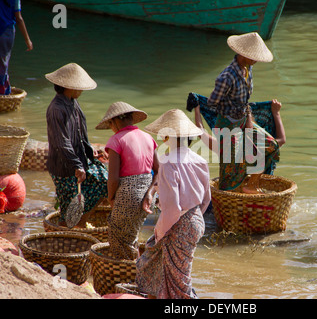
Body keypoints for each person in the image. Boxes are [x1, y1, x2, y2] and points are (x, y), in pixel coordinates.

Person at [135, 109, 211, 299]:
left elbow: (172, 210)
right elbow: (206, 199)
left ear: (168, 136)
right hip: (195, 220)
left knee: (178, 282)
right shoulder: (200, 160)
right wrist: (194, 217)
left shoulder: (168, 163)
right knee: (181, 277)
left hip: (179, 224)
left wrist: (159, 232)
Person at [207, 32, 281, 194]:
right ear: (242, 54)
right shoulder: (226, 77)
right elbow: (212, 102)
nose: (255, 60)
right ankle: (229, 198)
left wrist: (247, 119)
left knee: (271, 145)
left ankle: (251, 185)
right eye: (252, 56)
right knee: (232, 167)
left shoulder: (248, 69)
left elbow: (245, 101)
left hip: (243, 119)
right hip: (227, 124)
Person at [45, 63, 108, 228]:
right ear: (69, 87)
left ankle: (79, 221)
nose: (81, 91)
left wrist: (90, 150)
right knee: (69, 207)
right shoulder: (56, 108)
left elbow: (80, 131)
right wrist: (77, 165)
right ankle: (69, 229)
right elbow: (61, 142)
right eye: (79, 87)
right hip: (64, 167)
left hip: (78, 160)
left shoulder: (73, 102)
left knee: (103, 181)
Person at [96, 101, 159, 260]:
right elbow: (158, 171)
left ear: (115, 121)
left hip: (128, 195)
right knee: (131, 237)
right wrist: (150, 193)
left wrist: (111, 197)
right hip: (147, 194)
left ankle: (130, 275)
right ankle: (137, 271)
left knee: (119, 238)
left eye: (110, 124)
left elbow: (113, 178)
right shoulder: (148, 137)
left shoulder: (116, 140)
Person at [0, 0, 32, 95]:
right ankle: (1, 92)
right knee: (2, 65)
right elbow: (19, 18)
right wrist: (27, 40)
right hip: (5, 33)